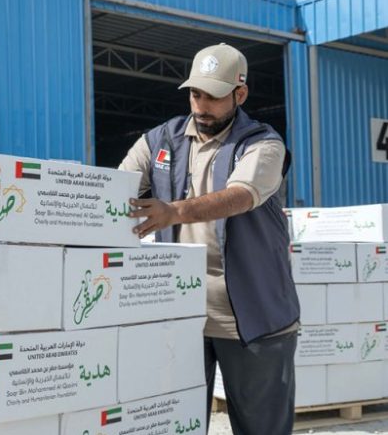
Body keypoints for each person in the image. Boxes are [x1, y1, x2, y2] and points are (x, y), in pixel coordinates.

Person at [118, 43, 300, 435]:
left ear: (240, 94)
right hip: (181, 317)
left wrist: (174, 211)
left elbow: (241, 196)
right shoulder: (160, 140)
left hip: (254, 319)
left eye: (214, 96)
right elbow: (119, 186)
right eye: (195, 94)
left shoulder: (263, 143)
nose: (201, 106)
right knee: (177, 426)